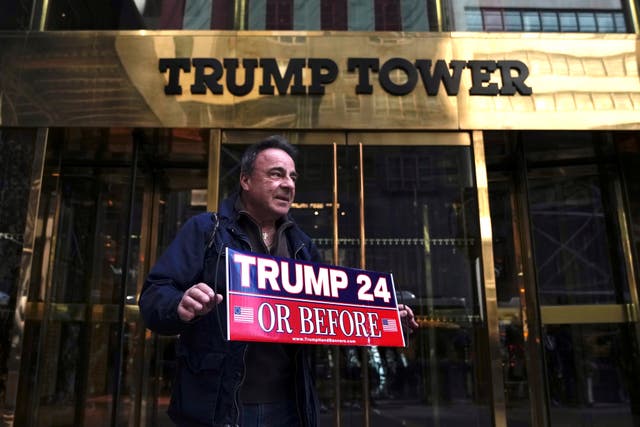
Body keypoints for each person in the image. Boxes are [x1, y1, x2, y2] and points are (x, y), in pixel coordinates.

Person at [139, 135, 419, 427]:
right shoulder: (206, 231)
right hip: (218, 408)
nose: (289, 184)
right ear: (245, 180)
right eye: (276, 174)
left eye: (292, 177)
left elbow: (334, 315)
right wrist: (180, 304)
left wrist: (384, 319)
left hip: (289, 408)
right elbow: (154, 296)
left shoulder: (302, 246)